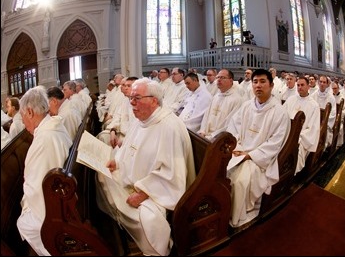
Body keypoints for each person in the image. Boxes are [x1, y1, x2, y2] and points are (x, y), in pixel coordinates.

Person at [96, 78, 196, 256]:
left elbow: (172, 173)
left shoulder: (169, 127)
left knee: (150, 221)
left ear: (154, 100)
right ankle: (117, 231)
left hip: (157, 191)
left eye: (136, 98)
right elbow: (128, 147)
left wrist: (143, 193)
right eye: (131, 98)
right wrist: (117, 161)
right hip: (133, 179)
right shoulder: (141, 118)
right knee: (101, 175)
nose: (132, 103)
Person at [226, 68, 290, 227]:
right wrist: (236, 146)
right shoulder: (247, 106)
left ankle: (237, 215)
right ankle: (224, 210)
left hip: (260, 160)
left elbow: (276, 143)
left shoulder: (280, 112)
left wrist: (250, 155)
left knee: (240, 181)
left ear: (271, 85)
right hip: (239, 150)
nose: (258, 86)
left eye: (262, 82)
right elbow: (234, 126)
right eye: (255, 82)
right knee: (220, 171)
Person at [16, 86, 72, 256]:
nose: (24, 124)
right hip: (63, 192)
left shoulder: (43, 139)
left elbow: (36, 189)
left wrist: (25, 203)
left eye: (23, 117)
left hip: (54, 209)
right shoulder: (55, 126)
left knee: (23, 223)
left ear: (31, 112)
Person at [283, 76, 320, 174]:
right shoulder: (290, 100)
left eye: (302, 85)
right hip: (285, 134)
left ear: (308, 87)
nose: (299, 87)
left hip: (301, 140)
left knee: (293, 153)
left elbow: (312, 129)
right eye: (298, 85)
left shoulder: (314, 106)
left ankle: (288, 175)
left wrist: (296, 137)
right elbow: (281, 117)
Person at [198, 69, 243, 140]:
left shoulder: (237, 100)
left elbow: (230, 124)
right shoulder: (216, 96)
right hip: (206, 136)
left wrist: (212, 136)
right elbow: (206, 115)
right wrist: (202, 131)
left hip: (220, 138)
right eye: (218, 77)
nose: (219, 80)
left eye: (222, 78)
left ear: (231, 80)